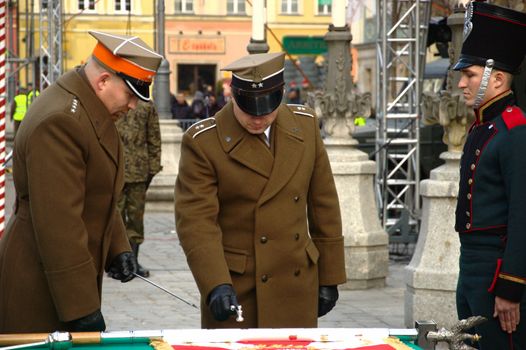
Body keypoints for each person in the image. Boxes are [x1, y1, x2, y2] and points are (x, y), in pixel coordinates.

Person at [0, 30, 162, 333]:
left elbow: (96, 192)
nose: (133, 106)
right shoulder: (61, 122)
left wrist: (118, 248)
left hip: (59, 279)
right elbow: (57, 222)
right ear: (103, 81)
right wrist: (83, 309)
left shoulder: (90, 109)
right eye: (130, 95)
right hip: (41, 284)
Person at [175, 52, 346, 329]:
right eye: (248, 109)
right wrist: (215, 282)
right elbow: (196, 221)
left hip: (297, 282)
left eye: (267, 109)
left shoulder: (305, 126)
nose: (258, 118)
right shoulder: (204, 142)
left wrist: (330, 275)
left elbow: (324, 204)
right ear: (233, 95)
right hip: (238, 287)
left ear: (280, 94)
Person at [452, 2, 526, 349]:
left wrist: (511, 285)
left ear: (497, 78)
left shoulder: (514, 130)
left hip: (499, 272)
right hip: (473, 267)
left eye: (469, 75)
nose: (462, 83)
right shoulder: (484, 126)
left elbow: (522, 214)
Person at [115, 100, 162, 278]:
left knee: (136, 218)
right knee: (115, 217)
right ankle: (116, 261)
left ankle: (133, 261)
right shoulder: (113, 101)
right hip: (115, 169)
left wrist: (153, 168)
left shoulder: (146, 106)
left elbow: (154, 138)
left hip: (138, 170)